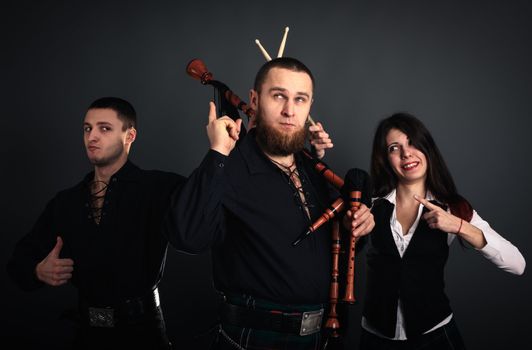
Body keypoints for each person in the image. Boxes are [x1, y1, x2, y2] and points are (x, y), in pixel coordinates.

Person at [165, 57, 374, 349]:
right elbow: (187, 236)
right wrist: (216, 154)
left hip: (319, 339)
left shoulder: (312, 170)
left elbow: (329, 246)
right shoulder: (230, 165)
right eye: (279, 96)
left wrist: (358, 227)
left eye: (300, 99)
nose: (290, 111)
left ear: (309, 106)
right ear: (254, 99)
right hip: (254, 339)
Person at [7, 97, 185, 350]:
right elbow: (17, 264)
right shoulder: (66, 202)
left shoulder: (159, 188)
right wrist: (38, 270)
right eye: (87, 128)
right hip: (87, 334)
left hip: (144, 333)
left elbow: (207, 195)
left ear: (129, 135)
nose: (92, 136)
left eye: (105, 128)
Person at [358, 113, 525, 349]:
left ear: (427, 149)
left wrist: (459, 226)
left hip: (435, 337)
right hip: (375, 338)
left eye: (413, 143)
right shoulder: (370, 205)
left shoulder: (453, 208)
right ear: (385, 159)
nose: (407, 154)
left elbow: (517, 264)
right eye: (395, 148)